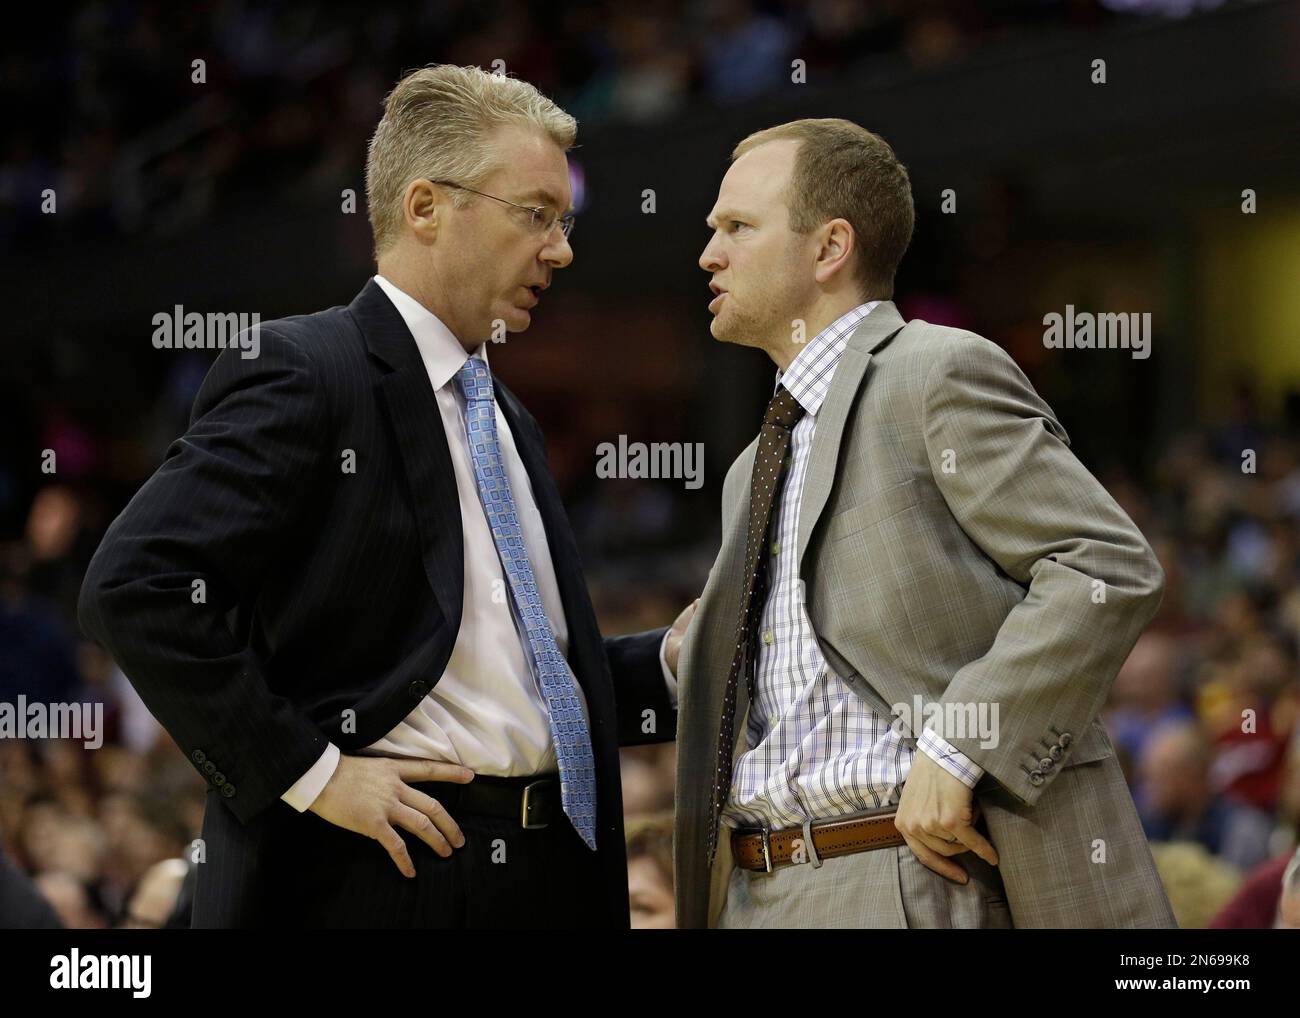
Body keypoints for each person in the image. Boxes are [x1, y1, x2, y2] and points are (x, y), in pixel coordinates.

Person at [78, 64, 691, 929]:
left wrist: (670, 661)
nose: (562, 248)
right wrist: (314, 775)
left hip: (544, 876)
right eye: (537, 215)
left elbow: (524, 687)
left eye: (565, 222)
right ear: (426, 207)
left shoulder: (507, 415)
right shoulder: (306, 369)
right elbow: (135, 586)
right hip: (385, 877)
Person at [671, 118, 1174, 928]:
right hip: (757, 881)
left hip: (900, 876)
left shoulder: (934, 370)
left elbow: (1103, 565)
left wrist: (961, 745)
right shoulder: (748, 469)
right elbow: (793, 676)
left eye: (736, 228)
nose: (709, 255)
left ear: (830, 248)